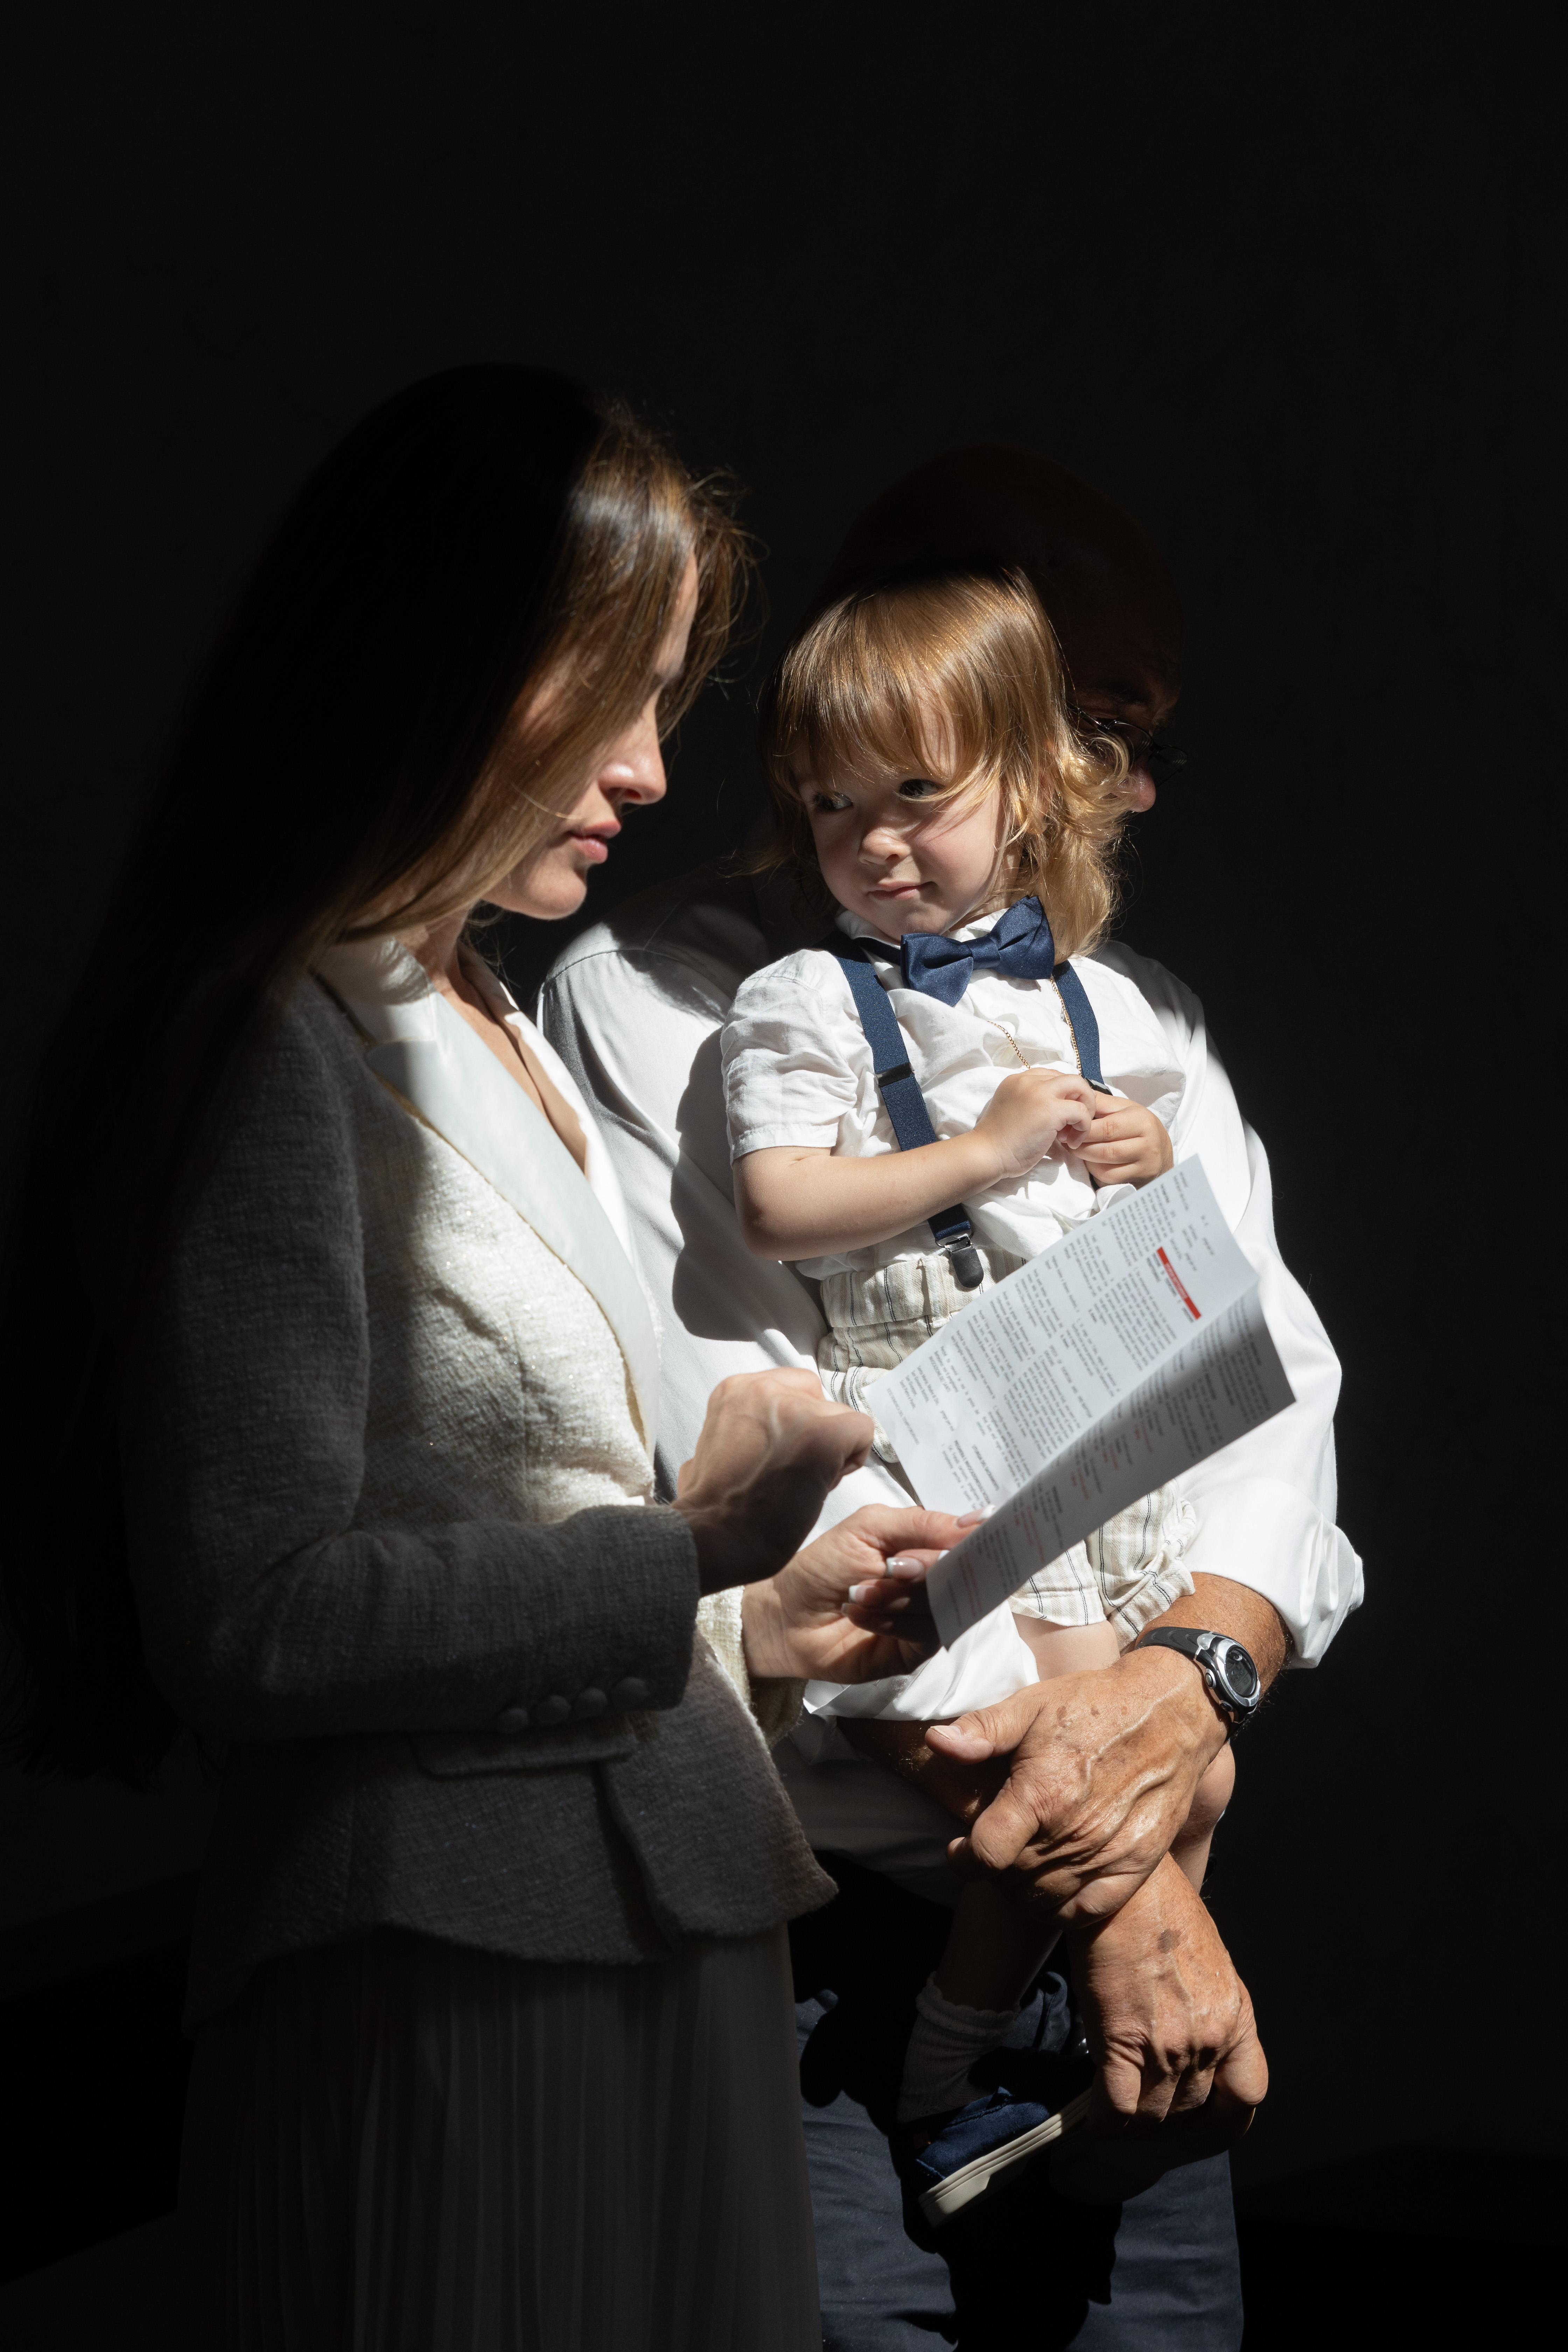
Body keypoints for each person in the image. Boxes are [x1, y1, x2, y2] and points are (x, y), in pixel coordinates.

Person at [0, 365, 970, 2352]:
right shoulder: (288, 1039)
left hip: (648, 1959)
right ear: (436, 664)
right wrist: (691, 1551)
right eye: (606, 692)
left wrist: (763, 1621)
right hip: (456, 1982)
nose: (645, 769)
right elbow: (257, 1620)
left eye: (670, 699)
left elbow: (548, 1541)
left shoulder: (495, 1031)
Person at [540, 446, 1363, 2347]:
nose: (1142, 780)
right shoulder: (675, 1011)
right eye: (1108, 719)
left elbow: (1275, 1406)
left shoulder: (1141, 1020)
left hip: (1134, 1937)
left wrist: (1192, 1687)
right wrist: (1136, 1897)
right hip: (844, 1957)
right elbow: (786, 1479)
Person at [721, 560, 1238, 2186]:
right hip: (945, 1417)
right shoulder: (805, 996)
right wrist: (973, 1148)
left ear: (1028, 785)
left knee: (1187, 1758)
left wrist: (1138, 1156)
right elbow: (781, 1204)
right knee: (1050, 1763)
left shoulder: (1094, 1001)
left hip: (1085, 1415)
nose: (872, 844)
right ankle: (946, 2070)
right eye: (829, 808)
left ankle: (1066, 2055)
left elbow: (1153, 1220)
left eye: (916, 799)